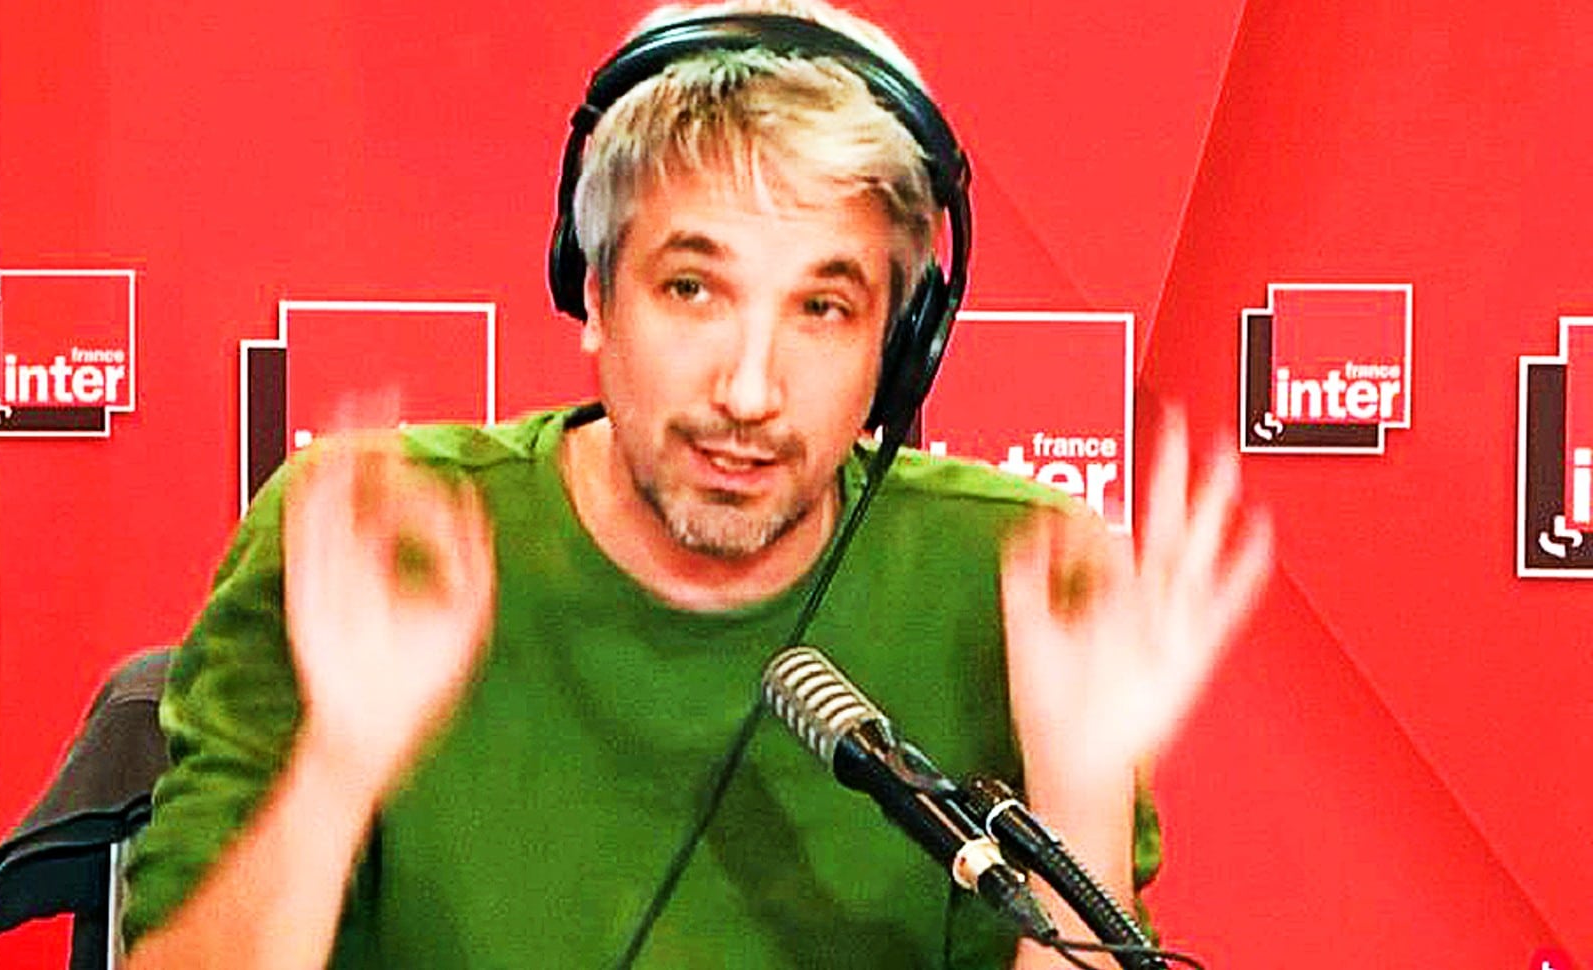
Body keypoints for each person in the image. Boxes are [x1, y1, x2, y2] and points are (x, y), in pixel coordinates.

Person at [122, 2, 1269, 968]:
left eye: (822, 308)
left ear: (899, 346)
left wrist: (1079, 791)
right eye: (691, 289)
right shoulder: (378, 536)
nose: (749, 388)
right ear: (593, 292)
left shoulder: (1015, 580)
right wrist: (335, 772)